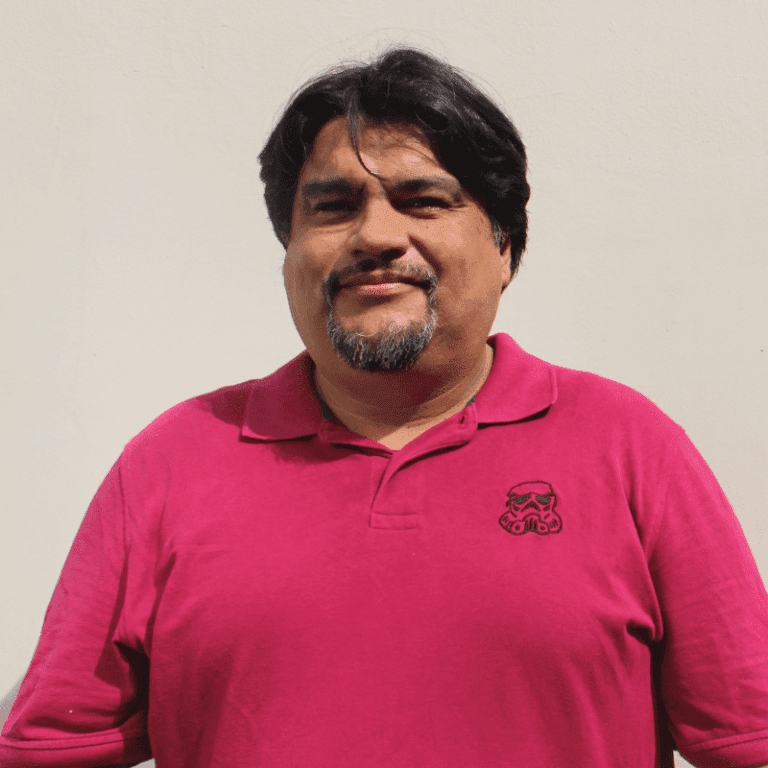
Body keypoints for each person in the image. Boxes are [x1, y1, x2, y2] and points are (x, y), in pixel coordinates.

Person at [1, 47, 767, 768]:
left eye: (422, 200)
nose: (375, 235)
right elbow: (49, 750)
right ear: (289, 254)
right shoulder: (170, 466)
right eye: (334, 207)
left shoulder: (630, 449)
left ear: (505, 247)